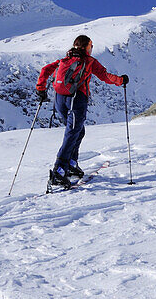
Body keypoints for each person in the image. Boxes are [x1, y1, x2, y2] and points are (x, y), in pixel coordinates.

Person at [36, 34, 128, 189]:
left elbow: (45, 70)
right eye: (91, 46)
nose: (91, 49)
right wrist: (121, 80)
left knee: (78, 131)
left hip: (60, 100)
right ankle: (59, 171)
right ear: (86, 47)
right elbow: (105, 76)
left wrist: (40, 88)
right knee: (72, 134)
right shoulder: (89, 61)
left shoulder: (63, 60)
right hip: (77, 100)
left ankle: (71, 164)